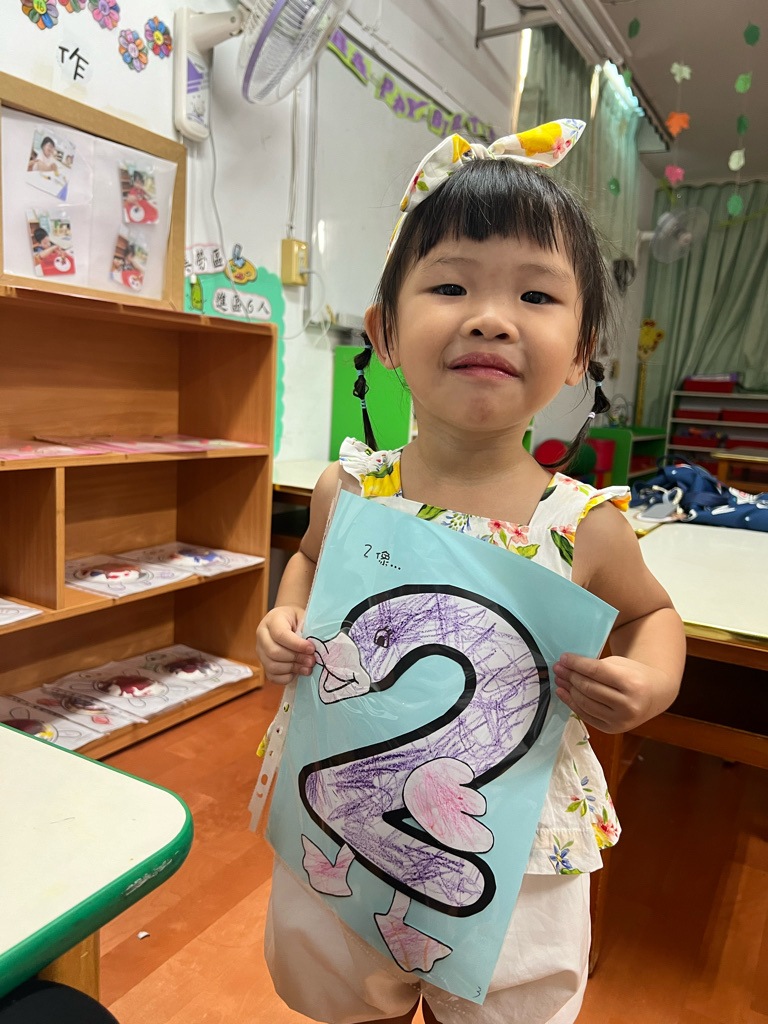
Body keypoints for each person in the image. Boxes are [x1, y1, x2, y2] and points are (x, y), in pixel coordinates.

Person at [256, 120, 686, 1024]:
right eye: (450, 285)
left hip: (505, 842)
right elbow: (308, 560)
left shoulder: (583, 526)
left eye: (536, 294)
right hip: (343, 804)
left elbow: (652, 616)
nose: (490, 316)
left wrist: (648, 682)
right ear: (384, 330)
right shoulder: (351, 490)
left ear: (581, 350)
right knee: (339, 994)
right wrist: (284, 618)